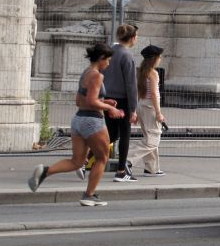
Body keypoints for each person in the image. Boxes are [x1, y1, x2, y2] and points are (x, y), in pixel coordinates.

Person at [28, 43, 123, 206]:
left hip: (78, 120)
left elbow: (79, 101)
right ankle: (89, 195)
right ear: (101, 59)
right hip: (93, 121)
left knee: (77, 162)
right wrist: (109, 108)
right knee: (102, 157)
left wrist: (104, 100)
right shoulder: (97, 75)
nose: (108, 64)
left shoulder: (85, 73)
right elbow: (92, 101)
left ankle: (44, 172)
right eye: (107, 60)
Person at [103, 24, 139, 182]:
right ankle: (120, 170)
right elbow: (131, 84)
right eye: (136, 36)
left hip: (107, 98)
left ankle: (84, 160)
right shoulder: (127, 56)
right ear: (132, 38)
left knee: (110, 134)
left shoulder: (109, 53)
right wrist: (133, 108)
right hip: (122, 100)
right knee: (124, 134)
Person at [127, 45, 166, 177]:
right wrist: (159, 113)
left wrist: (136, 111)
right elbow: (154, 94)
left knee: (149, 137)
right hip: (150, 107)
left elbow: (139, 91)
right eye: (159, 56)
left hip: (142, 105)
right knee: (153, 139)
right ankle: (128, 160)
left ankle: (151, 168)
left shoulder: (142, 71)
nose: (161, 58)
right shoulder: (153, 73)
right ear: (154, 58)